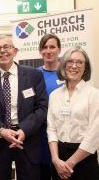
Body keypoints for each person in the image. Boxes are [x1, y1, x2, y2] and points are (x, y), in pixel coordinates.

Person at [0, 35, 48, 180]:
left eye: (7, 47)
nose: (2, 51)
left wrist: (24, 130)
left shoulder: (34, 75)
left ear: (15, 51)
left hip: (27, 140)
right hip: (0, 141)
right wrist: (2, 131)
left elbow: (42, 108)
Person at [47, 46, 99, 180]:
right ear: (63, 65)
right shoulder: (54, 95)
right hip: (59, 158)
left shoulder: (94, 95)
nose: (74, 66)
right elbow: (51, 129)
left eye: (79, 62)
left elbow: (94, 135)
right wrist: (55, 160)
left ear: (85, 67)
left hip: (84, 159)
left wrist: (69, 164)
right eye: (70, 61)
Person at [38, 34, 64, 180]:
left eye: (52, 47)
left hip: (62, 135)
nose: (48, 51)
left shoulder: (67, 74)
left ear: (59, 49)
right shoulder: (34, 75)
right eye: (45, 47)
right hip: (41, 135)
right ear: (40, 51)